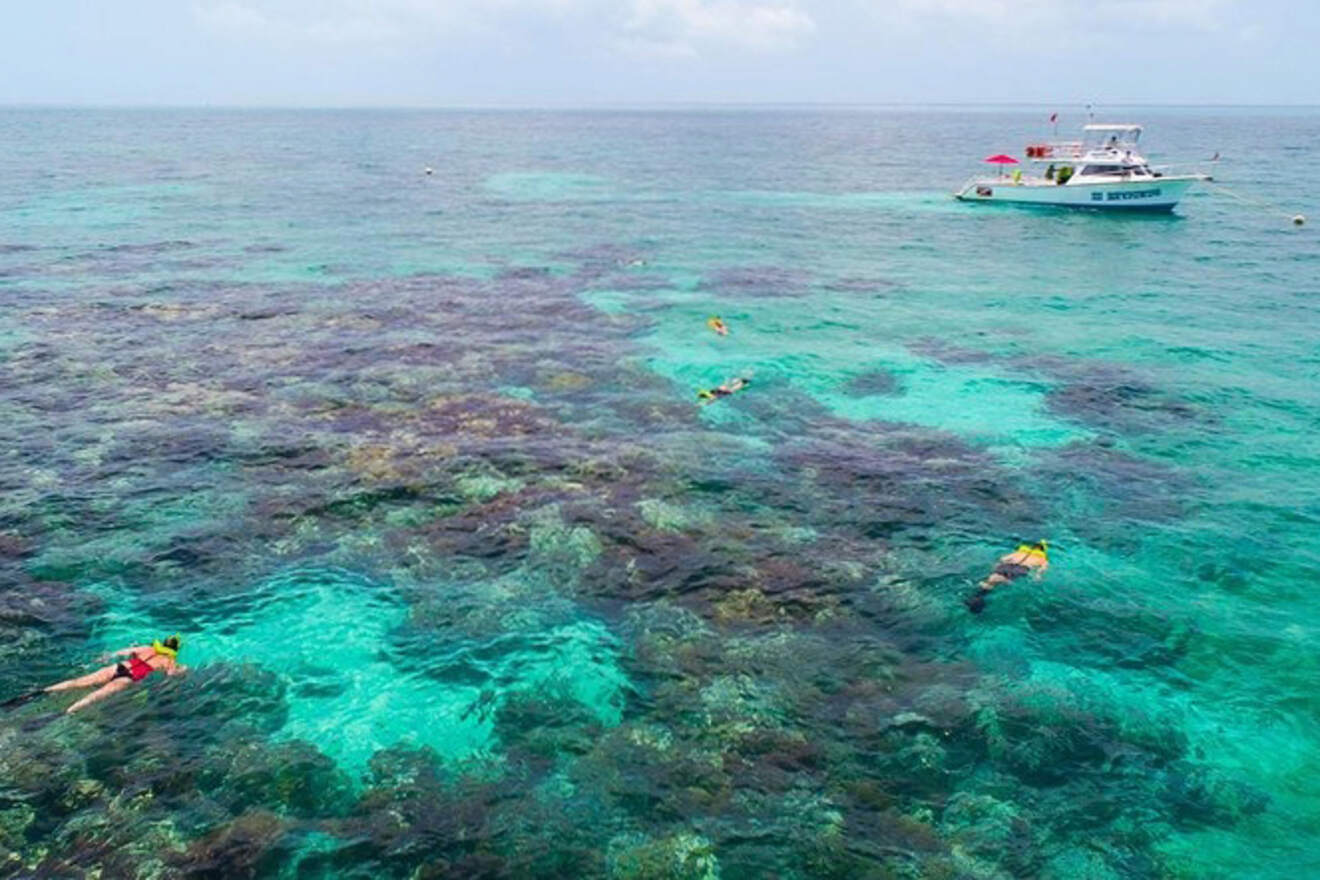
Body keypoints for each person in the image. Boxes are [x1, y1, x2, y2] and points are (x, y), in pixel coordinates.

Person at [43, 636, 186, 714]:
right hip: (127, 678)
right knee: (97, 695)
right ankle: (70, 710)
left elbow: (121, 652)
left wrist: (105, 657)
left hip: (118, 667)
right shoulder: (169, 660)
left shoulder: (147, 648)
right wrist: (183, 671)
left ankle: (47, 690)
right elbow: (171, 675)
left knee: (78, 681)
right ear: (176, 649)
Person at [966, 542, 1048, 614]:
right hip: (1021, 569)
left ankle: (977, 596)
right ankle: (1002, 584)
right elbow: (1042, 569)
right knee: (1006, 581)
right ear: (1043, 550)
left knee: (991, 580)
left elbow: (1002, 559)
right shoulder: (1042, 558)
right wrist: (1038, 576)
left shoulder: (1017, 553)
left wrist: (996, 566)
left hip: (1005, 566)